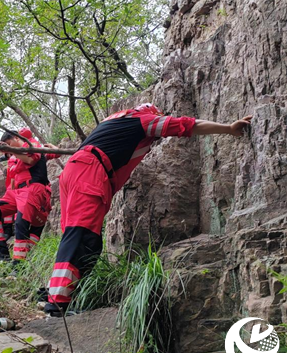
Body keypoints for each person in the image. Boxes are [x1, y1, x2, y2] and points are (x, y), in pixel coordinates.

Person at [44, 103, 252, 316]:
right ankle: (58, 304)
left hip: (74, 171)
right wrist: (228, 128)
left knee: (81, 238)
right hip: (89, 173)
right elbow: (186, 125)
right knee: (82, 235)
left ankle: (55, 293)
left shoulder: (114, 121)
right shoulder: (141, 120)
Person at [0, 129, 60, 264]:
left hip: (32, 189)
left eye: (9, 143)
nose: (8, 148)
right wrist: (1, 157)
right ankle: (2, 252)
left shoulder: (32, 145)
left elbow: (31, 159)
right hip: (17, 192)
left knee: (21, 222)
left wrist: (53, 147)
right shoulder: (15, 155)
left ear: (16, 138)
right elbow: (11, 158)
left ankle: (19, 263)